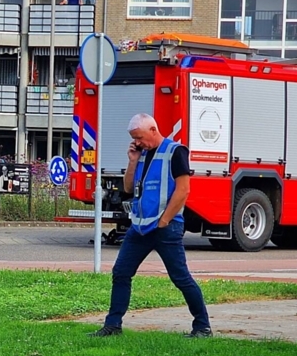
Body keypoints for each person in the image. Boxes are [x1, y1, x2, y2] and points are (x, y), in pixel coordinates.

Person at [89, 113, 212, 338]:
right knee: (121, 272)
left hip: (166, 227)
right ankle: (113, 325)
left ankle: (202, 326)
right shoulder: (142, 155)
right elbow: (128, 187)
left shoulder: (175, 151)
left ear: (153, 130)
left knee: (180, 278)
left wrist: (164, 221)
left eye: (139, 137)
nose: (137, 142)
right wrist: (133, 160)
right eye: (134, 138)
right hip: (140, 227)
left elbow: (183, 190)